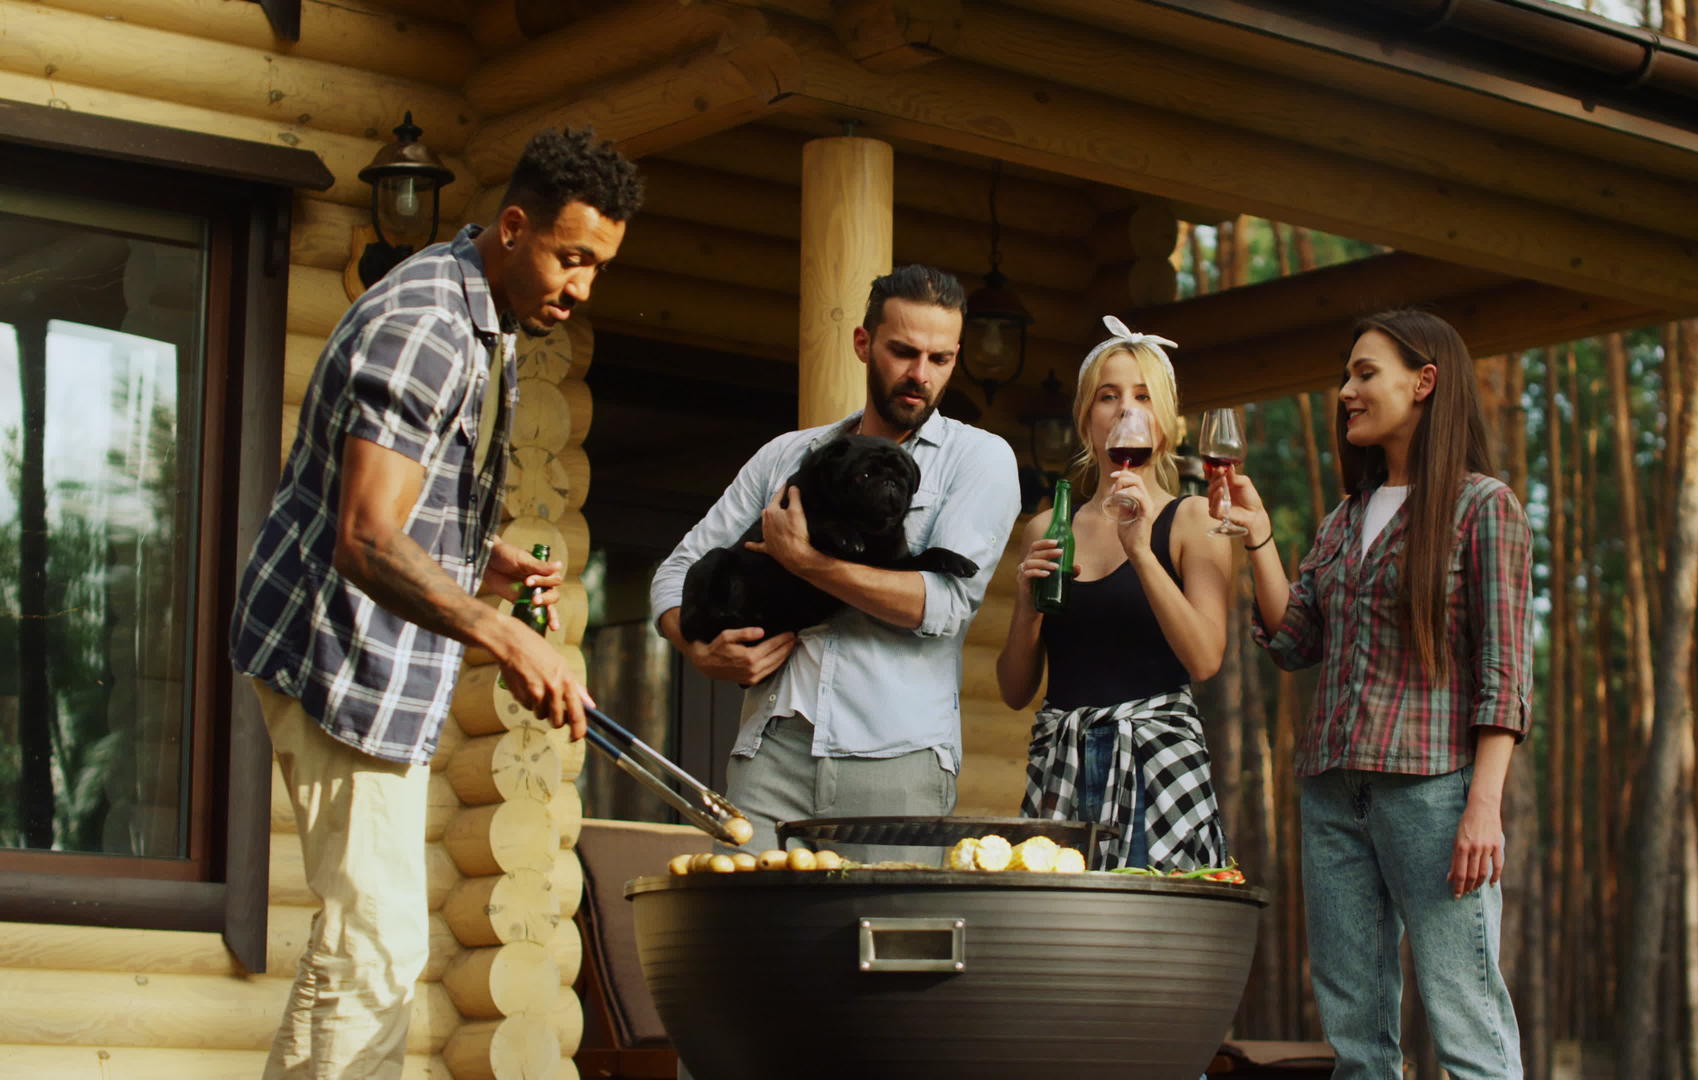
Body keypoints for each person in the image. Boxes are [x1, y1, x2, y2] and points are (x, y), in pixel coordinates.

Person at [229, 128, 642, 1079]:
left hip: (368, 661)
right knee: (371, 957)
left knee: (364, 949)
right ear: (511, 227)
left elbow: (395, 497)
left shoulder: (471, 304)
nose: (581, 287)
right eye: (570, 257)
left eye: (598, 266)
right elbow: (366, 536)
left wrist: (472, 553)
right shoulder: (429, 327)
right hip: (337, 660)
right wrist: (504, 633)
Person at [1213, 309, 1531, 1078]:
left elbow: (1505, 670)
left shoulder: (1483, 507)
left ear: (1424, 382)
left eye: (1364, 373)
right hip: (1331, 795)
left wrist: (1482, 807)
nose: (1345, 391)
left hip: (1434, 795)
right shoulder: (1342, 519)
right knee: (1354, 1034)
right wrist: (1258, 539)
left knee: (1466, 1020)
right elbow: (1294, 641)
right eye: (1345, 375)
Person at [650, 264, 1021, 859]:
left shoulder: (979, 458)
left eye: (941, 359)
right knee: (753, 947)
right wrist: (697, 648)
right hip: (768, 756)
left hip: (896, 766)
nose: (919, 376)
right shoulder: (786, 456)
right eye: (903, 352)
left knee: (886, 951)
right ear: (863, 343)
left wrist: (807, 563)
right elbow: (676, 570)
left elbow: (943, 605)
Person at [995, 316, 1231, 871]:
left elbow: (1205, 658)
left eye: (1143, 396)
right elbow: (1012, 690)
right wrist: (1029, 604)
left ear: (1165, 424)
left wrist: (1141, 550)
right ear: (1086, 421)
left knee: (1150, 941)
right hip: (1063, 763)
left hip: (1158, 768)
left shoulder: (1193, 520)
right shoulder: (1047, 528)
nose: (1126, 409)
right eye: (1108, 396)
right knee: (1062, 945)